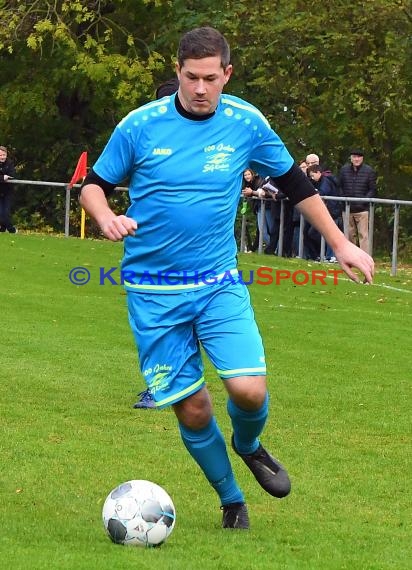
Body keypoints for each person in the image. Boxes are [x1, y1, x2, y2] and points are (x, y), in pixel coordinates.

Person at [79, 26, 374, 530]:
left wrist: (342, 243)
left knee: (249, 392)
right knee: (192, 409)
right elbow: (93, 187)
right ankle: (232, 500)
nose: (199, 88)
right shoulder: (140, 125)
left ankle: (249, 445)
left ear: (227, 74)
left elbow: (295, 182)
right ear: (177, 72)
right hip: (153, 293)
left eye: (210, 78)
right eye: (190, 77)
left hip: (218, 283)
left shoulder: (246, 123)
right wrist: (105, 216)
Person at [133, 77, 180, 410]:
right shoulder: (147, 137)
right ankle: (165, 382)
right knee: (160, 324)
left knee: (161, 324)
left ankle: (162, 386)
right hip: (153, 251)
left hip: (173, 256)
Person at [339, 149, 377, 252]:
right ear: (351, 158)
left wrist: (363, 201)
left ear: (362, 158)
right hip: (347, 208)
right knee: (349, 235)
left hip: (362, 209)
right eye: (354, 157)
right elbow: (340, 186)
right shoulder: (344, 170)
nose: (356, 159)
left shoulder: (369, 171)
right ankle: (352, 257)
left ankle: (365, 259)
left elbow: (372, 189)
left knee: (363, 235)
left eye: (359, 157)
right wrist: (344, 200)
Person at [307, 164, 343, 261]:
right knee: (313, 233)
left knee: (329, 234)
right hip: (327, 211)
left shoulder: (325, 181)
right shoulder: (320, 181)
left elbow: (323, 192)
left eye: (312, 175)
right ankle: (324, 254)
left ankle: (331, 256)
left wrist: (313, 193)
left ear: (318, 172)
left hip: (332, 211)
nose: (312, 177)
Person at [0, 146, 17, 233]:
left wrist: (6, 177)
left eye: (4, 155)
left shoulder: (10, 163)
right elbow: (4, 177)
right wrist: (3, 177)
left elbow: (12, 175)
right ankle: (3, 229)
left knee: (5, 213)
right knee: (1, 213)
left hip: (8, 192)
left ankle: (12, 230)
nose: (2, 157)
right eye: (0, 155)